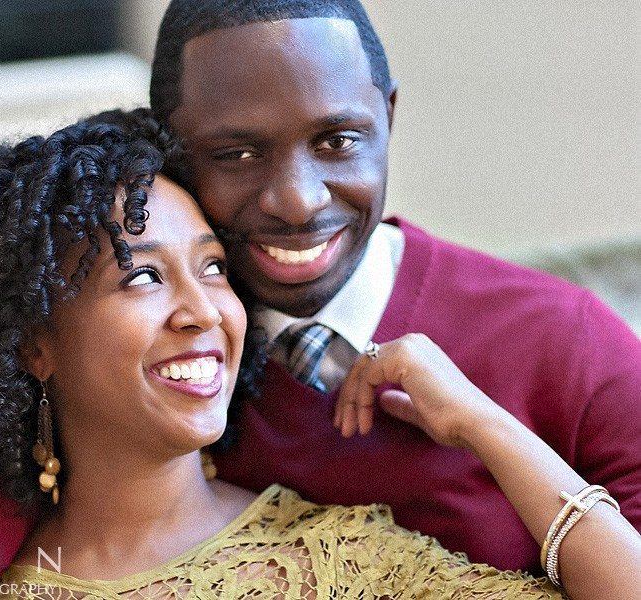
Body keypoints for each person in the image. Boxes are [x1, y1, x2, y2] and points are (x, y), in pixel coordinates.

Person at [0, 109, 637, 599]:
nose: (202, 311)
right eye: (142, 279)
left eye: (212, 268)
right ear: (33, 342)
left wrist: (483, 423)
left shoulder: (335, 561)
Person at [145, 0, 641, 575]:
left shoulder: (561, 334)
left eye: (338, 141)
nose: (299, 199)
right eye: (238, 155)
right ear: (168, 150)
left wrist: (486, 427)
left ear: (389, 116)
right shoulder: (143, 361)